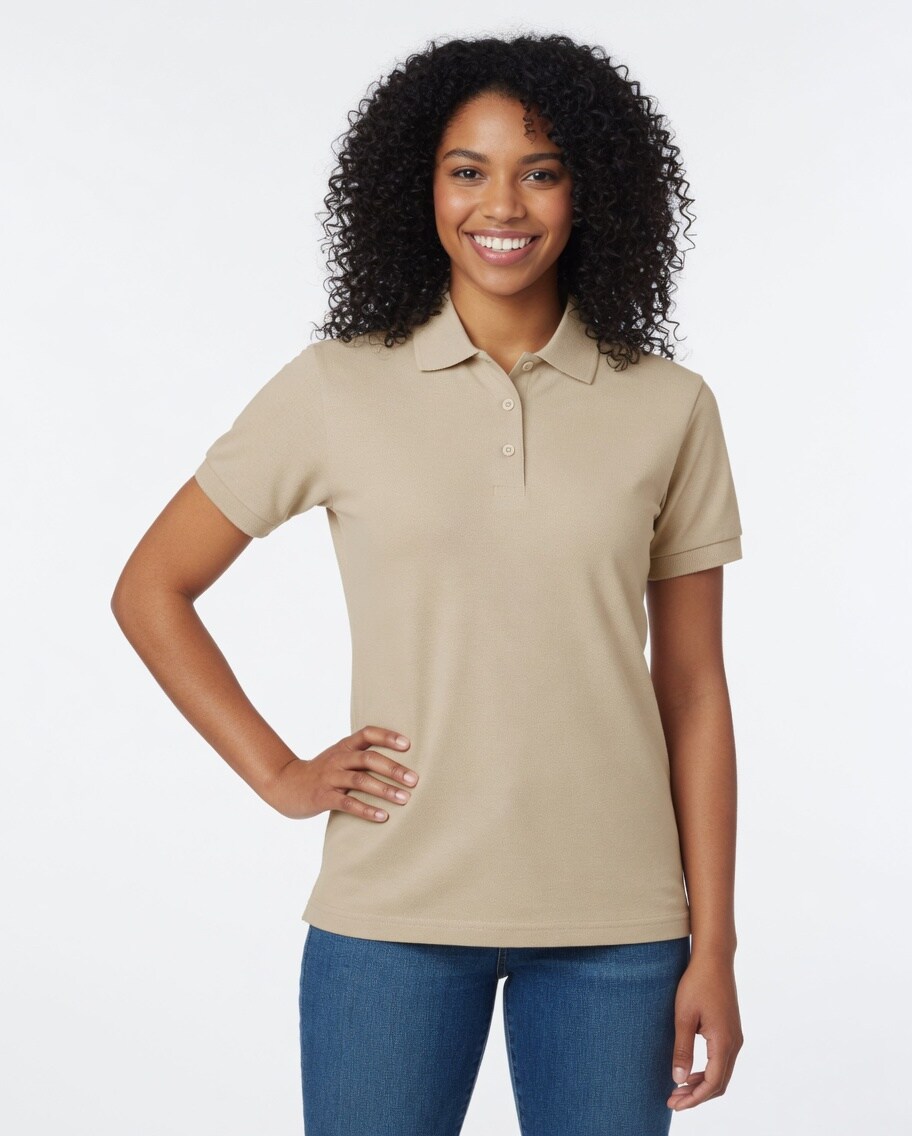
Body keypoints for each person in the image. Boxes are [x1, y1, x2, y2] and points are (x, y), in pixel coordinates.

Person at [111, 31, 745, 1136]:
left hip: (618, 924)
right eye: (468, 169)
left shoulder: (669, 404)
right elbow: (152, 587)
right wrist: (279, 773)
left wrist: (716, 944)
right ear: (423, 186)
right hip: (390, 915)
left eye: (541, 171)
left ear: (591, 190)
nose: (502, 204)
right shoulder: (335, 387)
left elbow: (693, 689)